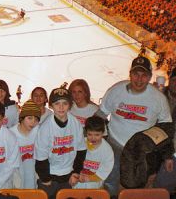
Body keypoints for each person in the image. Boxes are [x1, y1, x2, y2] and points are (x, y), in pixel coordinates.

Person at [95, 56, 172, 197]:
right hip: (114, 144)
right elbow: (101, 115)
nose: (139, 79)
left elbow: (165, 128)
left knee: (135, 184)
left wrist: (167, 156)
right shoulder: (116, 90)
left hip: (141, 151)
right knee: (111, 180)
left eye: (144, 75)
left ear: (149, 77)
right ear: (130, 74)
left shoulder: (158, 98)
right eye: (136, 74)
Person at [35, 87, 86, 199]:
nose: (61, 107)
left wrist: (76, 172)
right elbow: (40, 157)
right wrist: (45, 179)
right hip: (49, 176)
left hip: (68, 174)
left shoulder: (75, 123)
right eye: (57, 103)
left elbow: (81, 149)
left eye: (65, 103)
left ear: (70, 105)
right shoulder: (45, 127)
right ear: (51, 106)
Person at [73, 116, 114, 189]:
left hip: (95, 185)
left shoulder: (107, 151)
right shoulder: (80, 143)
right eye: (90, 134)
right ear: (86, 132)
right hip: (77, 183)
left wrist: (88, 179)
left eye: (97, 135)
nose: (93, 138)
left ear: (103, 133)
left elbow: (104, 172)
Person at [153, 67, 176, 193]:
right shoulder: (159, 94)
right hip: (155, 144)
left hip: (172, 149)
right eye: (174, 80)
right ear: (169, 81)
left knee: (165, 185)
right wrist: (150, 92)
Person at [10, 100, 41, 189]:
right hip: (16, 177)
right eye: (29, 118)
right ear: (22, 118)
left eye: (36, 119)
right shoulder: (11, 134)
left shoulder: (38, 131)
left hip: (33, 176)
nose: (33, 122)